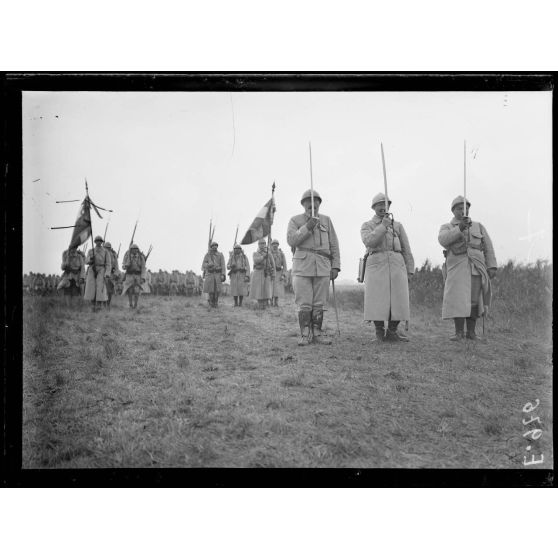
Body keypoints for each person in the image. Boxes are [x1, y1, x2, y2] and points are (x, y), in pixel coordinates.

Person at [439, 195, 497, 341]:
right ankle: (459, 333)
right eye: (459, 208)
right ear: (453, 211)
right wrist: (460, 228)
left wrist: (491, 265)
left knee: (475, 300)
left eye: (466, 208)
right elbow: (443, 240)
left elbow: (488, 247)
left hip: (476, 267)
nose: (463, 210)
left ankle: (471, 333)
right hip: (457, 267)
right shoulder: (447, 227)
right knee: (458, 299)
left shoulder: (478, 226)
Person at [287, 189, 340, 346]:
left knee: (319, 302)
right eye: (308, 202)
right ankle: (304, 333)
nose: (312, 205)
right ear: (303, 205)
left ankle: (317, 332)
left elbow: (334, 245)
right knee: (304, 302)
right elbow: (291, 240)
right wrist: (307, 227)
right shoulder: (295, 220)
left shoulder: (326, 220)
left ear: (319, 203)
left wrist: (335, 266)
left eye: (315, 202)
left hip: (323, 266)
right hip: (302, 266)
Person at [361, 193, 415, 342]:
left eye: (385, 204)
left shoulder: (397, 226)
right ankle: (379, 332)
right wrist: (383, 226)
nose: (382, 207)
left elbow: (406, 248)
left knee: (398, 299)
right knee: (377, 299)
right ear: (373, 207)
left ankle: (392, 331)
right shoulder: (367, 225)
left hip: (397, 266)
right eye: (379, 204)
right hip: (376, 265)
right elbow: (369, 241)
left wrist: (410, 269)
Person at [84, 235, 111, 311]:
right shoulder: (90, 251)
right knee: (91, 288)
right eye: (97, 241)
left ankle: (99, 306)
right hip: (92, 269)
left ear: (102, 242)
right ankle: (93, 305)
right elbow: (86, 261)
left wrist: (107, 274)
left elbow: (108, 264)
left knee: (100, 287)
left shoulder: (106, 252)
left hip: (102, 269)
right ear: (95, 242)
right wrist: (90, 259)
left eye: (100, 241)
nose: (98, 242)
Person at [250, 239, 275, 310]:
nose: (262, 245)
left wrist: (273, 274)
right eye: (260, 244)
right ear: (258, 245)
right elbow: (256, 260)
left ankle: (265, 304)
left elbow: (273, 264)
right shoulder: (255, 253)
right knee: (259, 290)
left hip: (266, 272)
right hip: (258, 273)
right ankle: (260, 304)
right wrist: (263, 257)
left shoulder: (269, 253)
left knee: (266, 289)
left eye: (264, 243)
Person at [121, 243, 149, 309]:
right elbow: (123, 266)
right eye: (133, 249)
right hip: (129, 275)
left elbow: (143, 268)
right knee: (129, 290)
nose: (134, 250)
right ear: (131, 250)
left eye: (136, 249)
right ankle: (130, 304)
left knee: (137, 291)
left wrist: (143, 278)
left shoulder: (141, 257)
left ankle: (135, 304)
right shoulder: (127, 256)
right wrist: (125, 266)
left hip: (138, 275)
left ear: (137, 250)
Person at [202, 241, 226, 308]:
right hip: (210, 274)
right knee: (210, 290)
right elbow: (203, 264)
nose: (214, 247)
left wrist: (223, 274)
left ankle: (216, 302)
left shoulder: (220, 255)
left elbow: (223, 265)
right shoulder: (207, 255)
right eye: (213, 246)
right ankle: (211, 302)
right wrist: (208, 264)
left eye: (216, 245)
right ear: (211, 247)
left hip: (217, 274)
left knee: (217, 290)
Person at [270, 239, 288, 307]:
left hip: (279, 272)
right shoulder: (269, 253)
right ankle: (271, 302)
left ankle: (276, 302)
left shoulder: (281, 254)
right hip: (271, 272)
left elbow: (285, 265)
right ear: (271, 245)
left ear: (278, 245)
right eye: (273, 244)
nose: (275, 245)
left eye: (276, 244)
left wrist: (283, 274)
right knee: (271, 287)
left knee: (277, 288)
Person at [103, 241, 120, 309]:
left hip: (111, 274)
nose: (107, 249)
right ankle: (101, 304)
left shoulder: (113, 255)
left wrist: (116, 274)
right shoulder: (102, 254)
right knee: (102, 290)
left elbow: (116, 265)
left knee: (110, 291)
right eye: (106, 247)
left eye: (108, 248)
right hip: (102, 273)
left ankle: (108, 304)